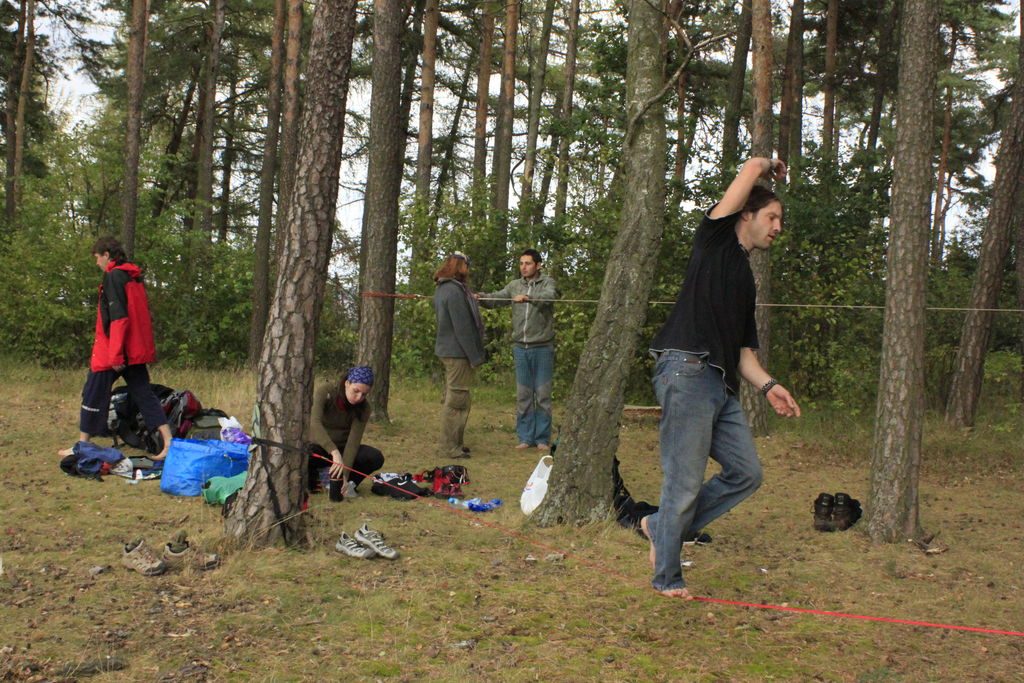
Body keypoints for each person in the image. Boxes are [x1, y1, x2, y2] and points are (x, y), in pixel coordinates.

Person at [641, 158, 801, 599]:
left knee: (747, 473)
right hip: (687, 370)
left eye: (781, 220)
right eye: (772, 216)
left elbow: (744, 354)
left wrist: (770, 387)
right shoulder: (714, 239)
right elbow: (749, 167)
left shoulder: (746, 280)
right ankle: (667, 578)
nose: (778, 227)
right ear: (746, 214)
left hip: (722, 385)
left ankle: (660, 526)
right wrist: (767, 166)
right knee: (684, 480)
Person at [59, 237, 173, 460]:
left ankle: (82, 446)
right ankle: (168, 442)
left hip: (115, 351)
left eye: (97, 258)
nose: (96, 263)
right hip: (134, 350)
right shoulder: (134, 277)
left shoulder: (113, 276)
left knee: (92, 393)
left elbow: (119, 318)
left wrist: (116, 354)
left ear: (106, 255)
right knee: (144, 394)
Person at [478, 249, 560, 450]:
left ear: (538, 265)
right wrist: (478, 297)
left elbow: (550, 297)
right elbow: (497, 298)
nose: (524, 267)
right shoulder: (514, 285)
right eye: (521, 263)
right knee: (524, 395)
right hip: (520, 348)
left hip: (542, 348)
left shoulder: (548, 283)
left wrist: (528, 298)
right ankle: (525, 438)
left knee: (542, 395)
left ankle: (541, 439)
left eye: (528, 263)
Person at [433, 252, 485, 459]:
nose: (469, 269)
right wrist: (475, 356)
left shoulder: (445, 288)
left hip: (452, 350)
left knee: (460, 399)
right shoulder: (453, 291)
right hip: (457, 352)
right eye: (467, 265)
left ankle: (456, 442)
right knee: (456, 400)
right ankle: (449, 447)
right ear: (460, 266)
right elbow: (462, 328)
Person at [307, 366, 385, 499]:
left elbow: (353, 442)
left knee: (375, 457)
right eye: (356, 391)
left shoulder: (364, 408)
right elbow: (315, 423)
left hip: (343, 451)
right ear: (347, 383)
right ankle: (316, 478)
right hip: (320, 447)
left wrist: (345, 475)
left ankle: (343, 484)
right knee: (305, 453)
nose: (359, 397)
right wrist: (334, 452)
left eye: (364, 394)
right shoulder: (326, 391)